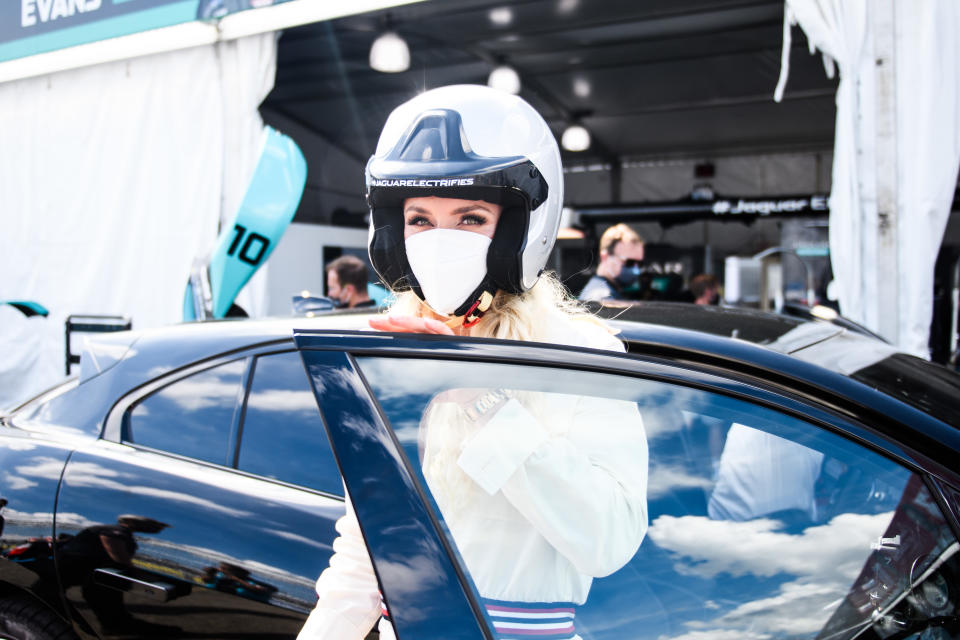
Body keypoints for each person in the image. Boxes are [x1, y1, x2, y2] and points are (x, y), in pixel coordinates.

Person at [297, 84, 648, 640]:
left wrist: (481, 400)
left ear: (516, 227)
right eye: (418, 219)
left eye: (468, 218)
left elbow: (608, 540)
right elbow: (367, 549)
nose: (439, 240)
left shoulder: (583, 351)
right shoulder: (393, 348)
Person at [577, 223, 646, 302]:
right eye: (629, 262)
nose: (636, 269)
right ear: (605, 257)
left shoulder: (608, 293)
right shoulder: (603, 299)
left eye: (640, 264)